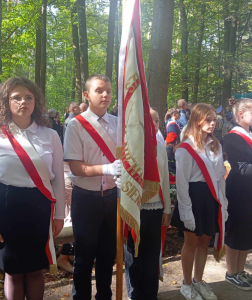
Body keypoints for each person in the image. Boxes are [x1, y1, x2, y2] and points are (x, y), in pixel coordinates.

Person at [0, 77, 65, 300]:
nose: (23, 102)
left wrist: (59, 216)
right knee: (13, 271)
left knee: (36, 269)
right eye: (16, 98)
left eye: (28, 97)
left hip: (40, 206)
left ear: (36, 102)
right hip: (7, 206)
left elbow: (57, 180)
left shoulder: (51, 135)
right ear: (6, 102)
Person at [64, 73, 121, 300]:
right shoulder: (75, 126)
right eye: (99, 90)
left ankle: (104, 296)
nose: (105, 94)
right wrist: (107, 169)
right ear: (86, 94)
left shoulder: (118, 124)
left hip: (112, 197)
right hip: (86, 199)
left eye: (108, 90)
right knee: (84, 258)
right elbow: (76, 168)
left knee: (107, 256)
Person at [171, 103, 228, 300]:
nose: (213, 124)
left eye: (214, 120)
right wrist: (186, 211)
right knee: (191, 242)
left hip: (210, 197)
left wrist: (223, 203)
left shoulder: (216, 145)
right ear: (197, 120)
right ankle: (186, 285)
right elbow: (182, 184)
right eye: (208, 120)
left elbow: (220, 177)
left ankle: (198, 280)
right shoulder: (185, 148)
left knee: (205, 242)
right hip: (193, 197)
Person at [124, 108, 171, 300]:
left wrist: (167, 208)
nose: (153, 125)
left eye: (157, 121)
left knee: (152, 255)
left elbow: (165, 178)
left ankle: (151, 294)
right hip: (132, 209)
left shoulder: (160, 147)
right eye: (148, 122)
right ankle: (135, 294)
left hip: (155, 207)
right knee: (133, 255)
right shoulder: (127, 147)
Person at [223, 98, 252, 290]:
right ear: (240, 114)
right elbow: (242, 168)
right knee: (235, 230)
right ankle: (231, 272)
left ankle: (240, 270)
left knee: (247, 231)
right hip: (238, 191)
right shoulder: (231, 137)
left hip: (249, 190)